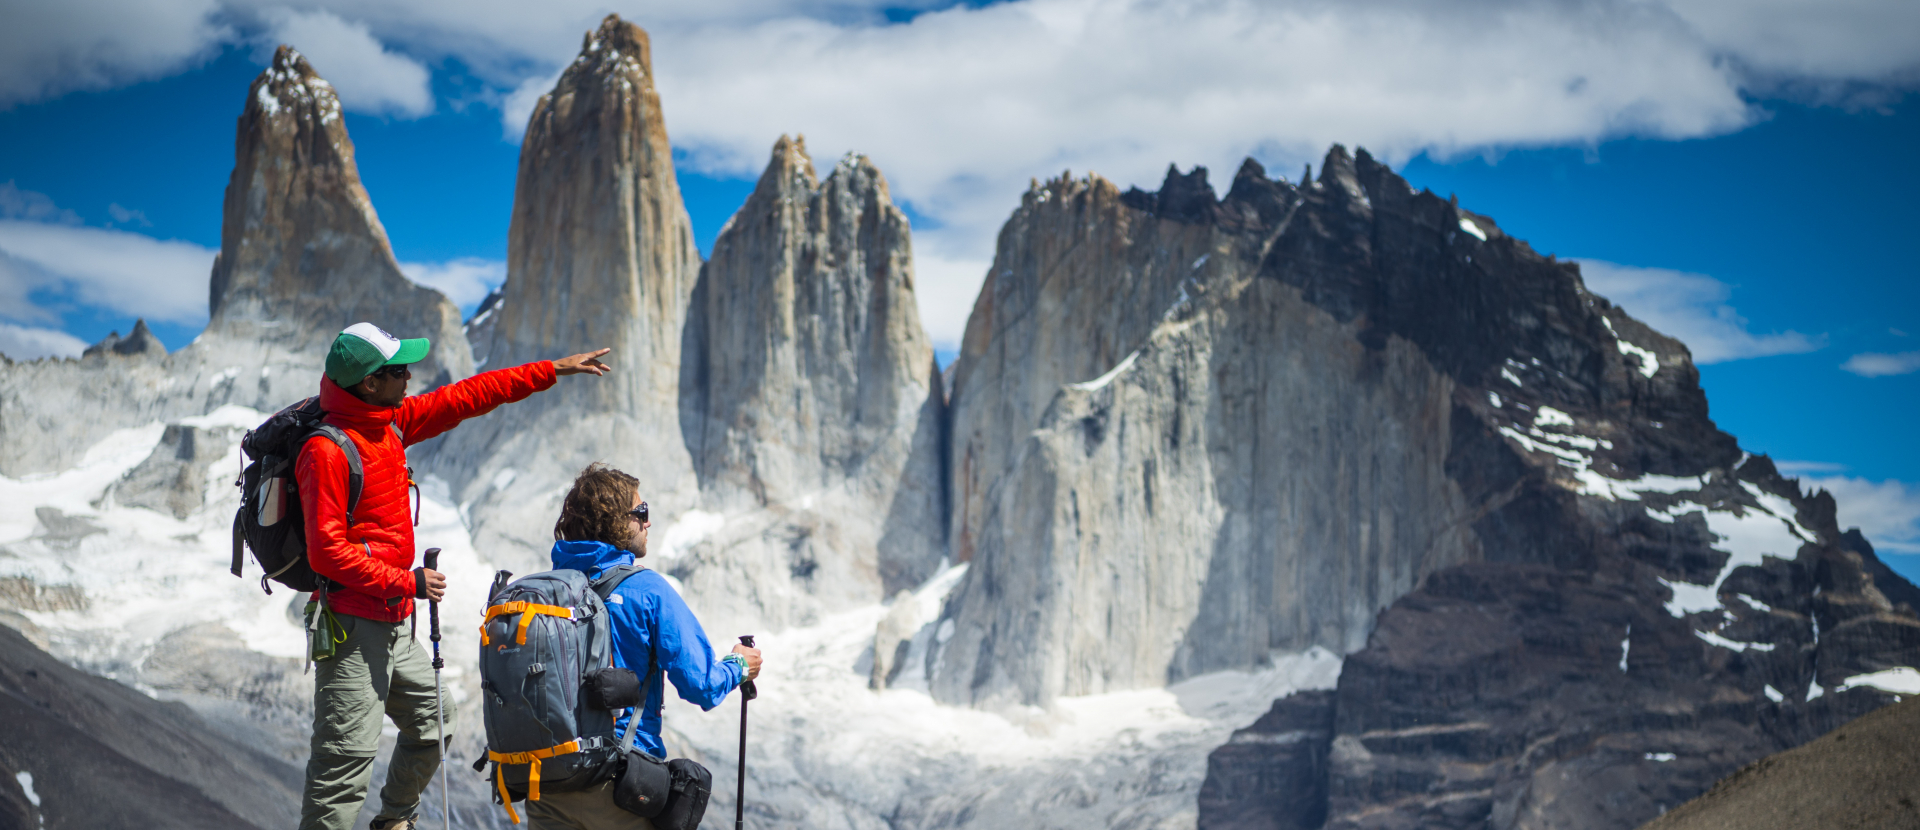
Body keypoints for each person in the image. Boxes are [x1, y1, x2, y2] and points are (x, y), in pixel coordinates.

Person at [296, 322, 614, 830]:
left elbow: (469, 395)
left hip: (393, 626)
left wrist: (552, 369)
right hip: (352, 629)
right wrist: (409, 583)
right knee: (343, 769)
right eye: (399, 369)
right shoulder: (326, 450)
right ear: (369, 383)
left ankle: (394, 820)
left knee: (434, 721)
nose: (410, 377)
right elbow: (326, 553)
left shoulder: (391, 421)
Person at [533, 463, 763, 829]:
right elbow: (702, 685)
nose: (648, 522)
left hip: (546, 785)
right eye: (641, 512)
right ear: (613, 521)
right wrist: (738, 665)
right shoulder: (646, 590)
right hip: (617, 784)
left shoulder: (545, 592)